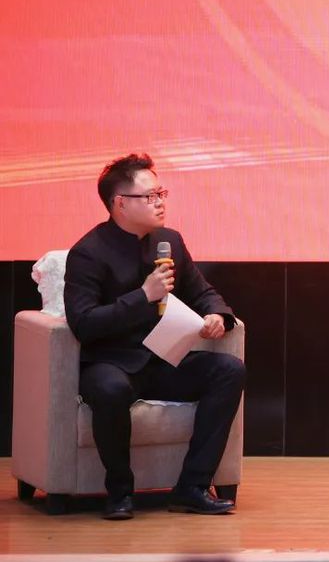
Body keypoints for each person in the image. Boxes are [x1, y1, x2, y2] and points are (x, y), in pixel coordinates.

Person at [64, 153, 246, 520]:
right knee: (111, 389)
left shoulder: (169, 241)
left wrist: (217, 314)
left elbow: (202, 292)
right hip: (111, 364)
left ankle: (192, 487)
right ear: (120, 203)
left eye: (161, 193)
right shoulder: (88, 253)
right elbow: (84, 323)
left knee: (229, 370)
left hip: (162, 359)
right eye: (149, 196)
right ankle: (119, 491)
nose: (160, 202)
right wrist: (143, 296)